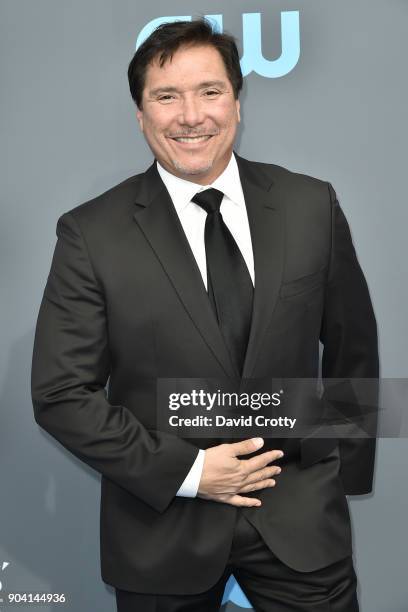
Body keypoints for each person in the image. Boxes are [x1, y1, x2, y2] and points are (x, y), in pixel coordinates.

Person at [31, 18, 379, 612]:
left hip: (302, 527)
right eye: (167, 97)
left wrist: (335, 482)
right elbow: (62, 394)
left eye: (210, 92)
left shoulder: (310, 205)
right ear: (141, 115)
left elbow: (355, 352)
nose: (191, 116)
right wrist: (190, 472)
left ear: (237, 104)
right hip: (162, 533)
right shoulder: (91, 234)